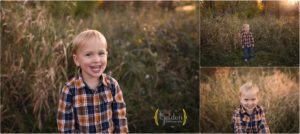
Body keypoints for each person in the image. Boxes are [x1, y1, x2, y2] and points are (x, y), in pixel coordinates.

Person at [57, 29, 128, 133]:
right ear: (77, 60)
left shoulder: (112, 85)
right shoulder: (70, 90)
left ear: (107, 55)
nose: (96, 59)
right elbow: (66, 129)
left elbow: (120, 121)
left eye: (101, 53)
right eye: (89, 54)